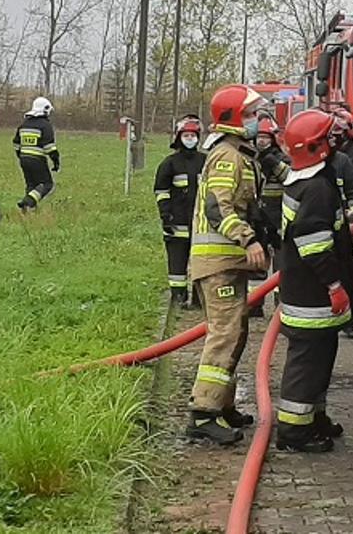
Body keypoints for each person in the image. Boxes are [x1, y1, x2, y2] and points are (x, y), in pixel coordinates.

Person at [185, 85, 271, 445]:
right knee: (224, 333)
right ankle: (203, 414)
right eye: (251, 115)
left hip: (225, 262)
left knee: (235, 330)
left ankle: (223, 405)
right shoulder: (226, 157)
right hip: (216, 262)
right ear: (234, 118)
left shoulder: (240, 154)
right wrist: (247, 239)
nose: (257, 121)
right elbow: (217, 208)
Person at [272, 109, 353, 452]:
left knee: (321, 359)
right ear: (317, 146)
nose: (336, 141)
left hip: (304, 291)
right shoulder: (317, 188)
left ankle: (313, 417)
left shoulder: (303, 179)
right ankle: (293, 432)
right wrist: (335, 286)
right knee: (307, 364)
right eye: (329, 137)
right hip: (314, 295)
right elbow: (315, 247)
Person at [154, 114, 206, 307]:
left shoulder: (206, 162)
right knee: (177, 262)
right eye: (186, 135)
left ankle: (199, 300)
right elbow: (161, 191)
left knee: (202, 262)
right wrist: (165, 215)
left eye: (193, 136)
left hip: (202, 224)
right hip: (177, 222)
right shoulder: (169, 164)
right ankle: (178, 297)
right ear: (178, 137)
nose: (190, 139)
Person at [325, 113, 353, 339]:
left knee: (346, 274)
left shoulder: (343, 161)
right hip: (315, 232)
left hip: (340, 232)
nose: (333, 141)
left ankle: (350, 319)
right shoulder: (306, 163)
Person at [250, 115, 290, 316]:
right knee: (256, 264)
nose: (261, 141)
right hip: (258, 218)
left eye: (265, 137)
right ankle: (254, 305)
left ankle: (279, 306)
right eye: (259, 137)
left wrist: (275, 164)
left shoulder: (281, 158)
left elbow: (290, 179)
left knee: (281, 266)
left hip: (278, 219)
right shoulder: (250, 158)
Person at [13, 97, 59, 212]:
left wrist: (21, 155)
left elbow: (16, 143)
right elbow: (49, 146)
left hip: (24, 159)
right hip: (37, 159)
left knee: (31, 184)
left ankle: (28, 209)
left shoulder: (24, 124)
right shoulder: (45, 125)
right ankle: (28, 201)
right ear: (46, 110)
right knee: (47, 184)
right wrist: (56, 161)